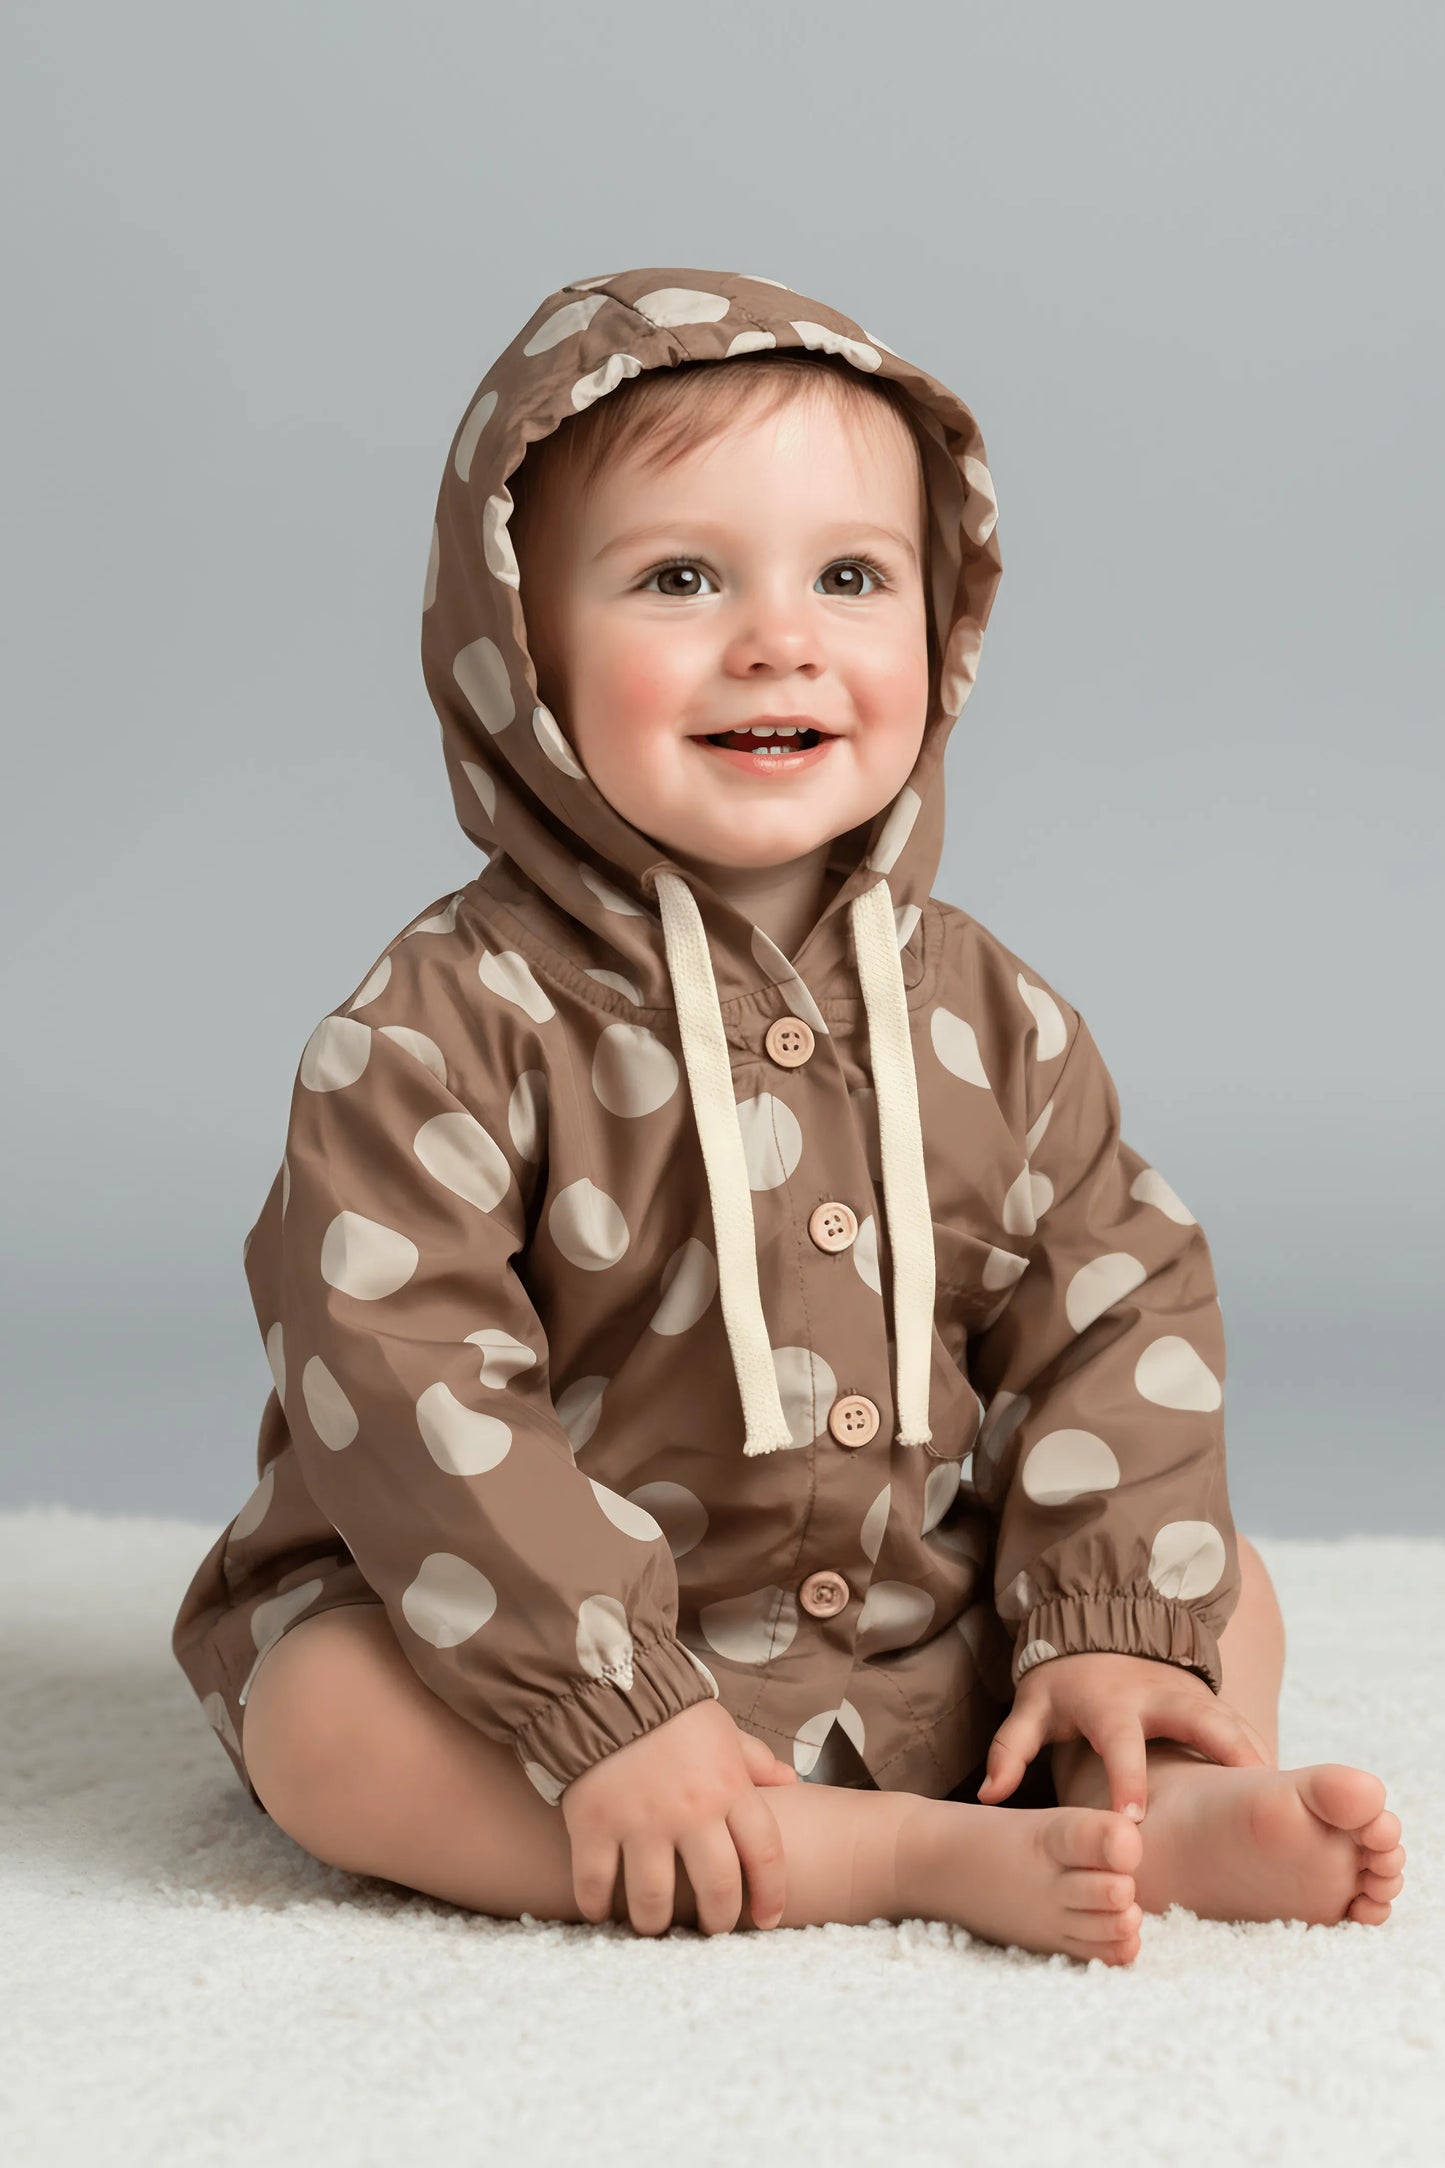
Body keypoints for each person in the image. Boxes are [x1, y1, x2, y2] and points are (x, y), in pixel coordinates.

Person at [171, 266, 1405, 1962]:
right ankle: (882, 1854)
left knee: (1211, 1574)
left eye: (850, 576)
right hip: (522, 1647)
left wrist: (1107, 1621)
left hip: (907, 1604)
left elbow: (1115, 1312)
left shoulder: (994, 1018)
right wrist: (598, 1690)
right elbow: (403, 1382)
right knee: (323, 1721)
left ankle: (1139, 1779)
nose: (780, 637)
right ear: (518, 649)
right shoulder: (432, 1035)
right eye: (679, 578)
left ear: (938, 626)